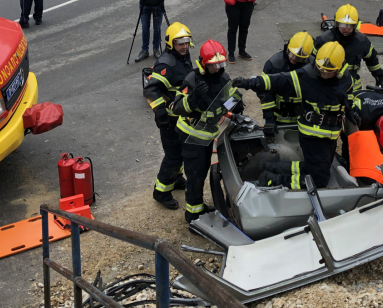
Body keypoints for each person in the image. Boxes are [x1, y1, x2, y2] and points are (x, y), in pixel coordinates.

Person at [231, 42, 353, 189]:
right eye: (320, 69)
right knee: (320, 180)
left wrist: (351, 109)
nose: (323, 74)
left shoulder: (345, 77)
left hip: (331, 136)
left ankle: (272, 168)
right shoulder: (307, 75)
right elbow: (276, 80)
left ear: (339, 69)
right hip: (312, 136)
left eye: (329, 71)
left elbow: (349, 94)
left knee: (312, 168)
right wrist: (249, 82)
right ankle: (272, 180)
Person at [172, 40, 242, 222]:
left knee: (201, 172)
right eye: (213, 65)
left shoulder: (223, 78)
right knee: (195, 175)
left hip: (206, 136)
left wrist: (236, 105)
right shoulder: (192, 79)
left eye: (221, 64)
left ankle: (198, 208)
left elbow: (226, 102)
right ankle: (193, 216)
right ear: (203, 63)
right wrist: (193, 98)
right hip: (190, 136)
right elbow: (177, 108)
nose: (218, 68)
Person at [142, 22, 193, 209]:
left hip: (181, 117)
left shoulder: (183, 57)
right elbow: (151, 90)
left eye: (187, 42)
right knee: (173, 156)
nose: (184, 46)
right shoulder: (166, 64)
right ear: (171, 43)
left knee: (180, 153)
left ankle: (176, 178)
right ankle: (161, 192)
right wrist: (161, 113)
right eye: (180, 42)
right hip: (170, 120)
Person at [313, 4, 383, 95]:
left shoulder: (362, 41)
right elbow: (311, 62)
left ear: (355, 25)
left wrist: (379, 76)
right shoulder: (324, 40)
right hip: (327, 87)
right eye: (343, 24)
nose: (346, 29)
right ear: (337, 23)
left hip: (352, 89)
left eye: (350, 25)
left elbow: (372, 60)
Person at [260, 32, 314, 130]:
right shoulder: (274, 64)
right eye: (291, 53)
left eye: (298, 58)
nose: (292, 59)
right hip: (278, 116)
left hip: (303, 118)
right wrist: (269, 118)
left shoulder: (313, 66)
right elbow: (265, 92)